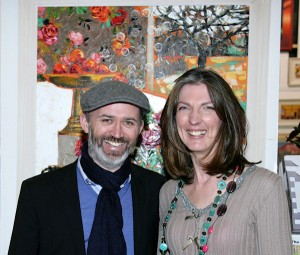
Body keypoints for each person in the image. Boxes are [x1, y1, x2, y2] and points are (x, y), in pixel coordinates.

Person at [9, 80, 166, 255]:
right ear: (85, 123)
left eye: (128, 122)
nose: (117, 133)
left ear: (140, 128)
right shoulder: (39, 193)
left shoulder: (159, 191)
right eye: (107, 120)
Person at [157, 68, 292, 255]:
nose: (193, 119)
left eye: (208, 107)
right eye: (184, 108)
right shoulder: (169, 192)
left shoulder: (265, 187)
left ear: (226, 118)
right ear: (173, 120)